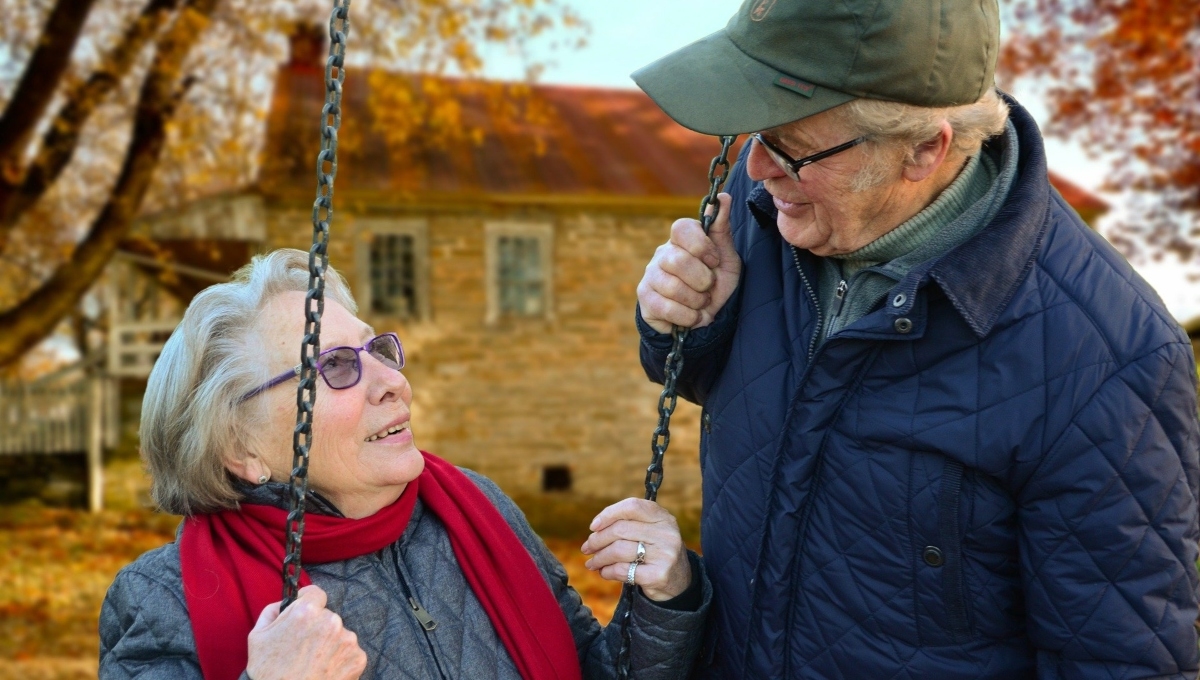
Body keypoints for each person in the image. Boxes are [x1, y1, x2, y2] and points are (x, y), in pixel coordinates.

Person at [632, 1, 1200, 678]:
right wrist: (686, 325)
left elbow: (1119, 661)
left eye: (790, 146)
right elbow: (722, 387)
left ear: (925, 150)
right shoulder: (770, 212)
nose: (756, 168)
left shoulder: (1106, 358)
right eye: (753, 132)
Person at [99, 249, 710, 680]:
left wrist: (663, 599)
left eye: (378, 350)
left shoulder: (474, 509)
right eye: (335, 366)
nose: (392, 381)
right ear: (242, 449)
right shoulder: (162, 598)